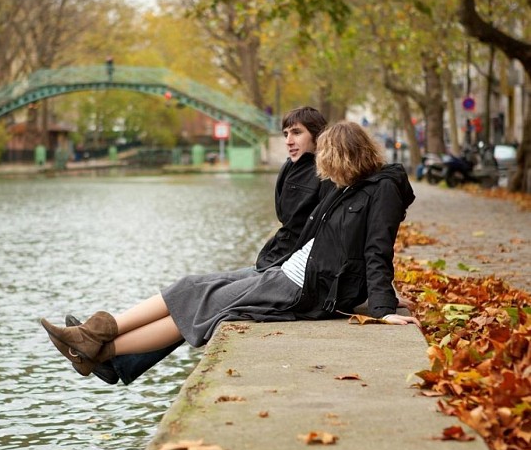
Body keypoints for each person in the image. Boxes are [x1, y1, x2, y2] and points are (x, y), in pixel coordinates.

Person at [41, 121, 419, 378]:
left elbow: (376, 250)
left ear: (345, 155)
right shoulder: (352, 186)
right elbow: (309, 233)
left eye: (328, 157)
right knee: (193, 288)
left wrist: (384, 308)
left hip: (303, 289)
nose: (323, 166)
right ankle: (96, 337)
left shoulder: (381, 189)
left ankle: (100, 351)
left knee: (203, 307)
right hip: (289, 274)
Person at [66, 106, 333, 385]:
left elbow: (304, 232)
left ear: (318, 136)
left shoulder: (317, 174)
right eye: (286, 133)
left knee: (198, 298)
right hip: (277, 266)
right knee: (191, 292)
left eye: (297, 133)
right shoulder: (292, 168)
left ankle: (101, 348)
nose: (289, 140)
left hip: (285, 274)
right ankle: (101, 345)